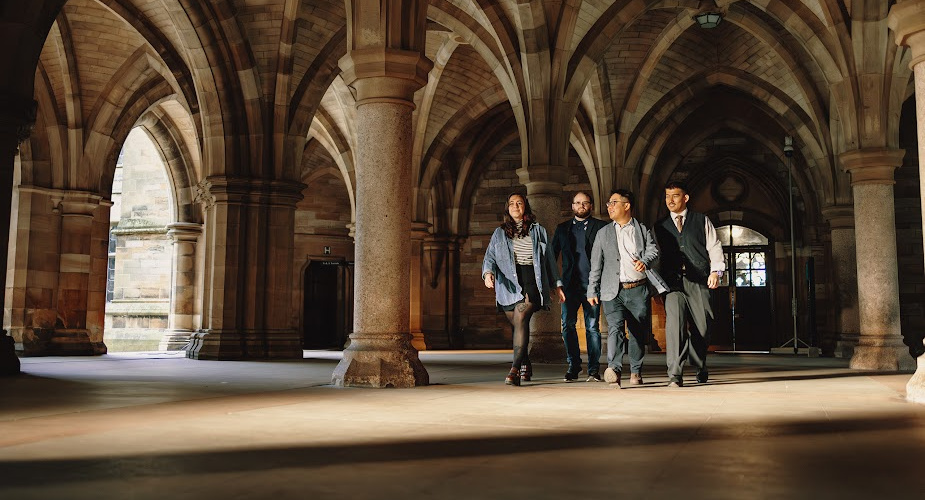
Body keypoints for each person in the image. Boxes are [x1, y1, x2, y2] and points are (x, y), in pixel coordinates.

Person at [482, 193, 566, 386]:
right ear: (507, 208)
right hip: (508, 283)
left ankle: (514, 369)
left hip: (531, 279)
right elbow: (490, 257)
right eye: (511, 203)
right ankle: (526, 363)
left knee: (521, 319)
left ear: (525, 207)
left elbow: (550, 261)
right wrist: (488, 273)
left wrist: (557, 285)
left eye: (519, 203)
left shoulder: (539, 231)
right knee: (517, 325)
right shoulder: (499, 232)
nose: (515, 206)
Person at [587, 189, 667, 388]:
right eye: (608, 203)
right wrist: (592, 290)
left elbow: (653, 250)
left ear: (627, 205)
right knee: (615, 329)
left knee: (637, 331)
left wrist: (645, 261)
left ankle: (635, 370)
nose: (609, 206)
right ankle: (614, 369)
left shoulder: (641, 229)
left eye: (614, 202)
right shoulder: (603, 233)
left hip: (637, 289)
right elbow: (595, 265)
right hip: (611, 290)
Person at [653, 180, 725, 387]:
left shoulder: (701, 220)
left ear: (685, 198)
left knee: (703, 327)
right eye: (667, 196)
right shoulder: (659, 226)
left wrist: (716, 272)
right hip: (672, 284)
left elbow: (714, 246)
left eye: (675, 196)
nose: (670, 200)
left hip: (699, 280)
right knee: (674, 328)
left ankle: (699, 364)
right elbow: (655, 256)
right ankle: (675, 374)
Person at [552, 192, 609, 381]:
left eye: (585, 203)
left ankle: (593, 369)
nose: (581, 205)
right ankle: (573, 366)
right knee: (567, 325)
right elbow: (551, 258)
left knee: (593, 327)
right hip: (569, 286)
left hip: (592, 285)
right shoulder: (562, 229)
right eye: (577, 203)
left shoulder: (601, 227)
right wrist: (556, 283)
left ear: (591, 206)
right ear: (572, 206)